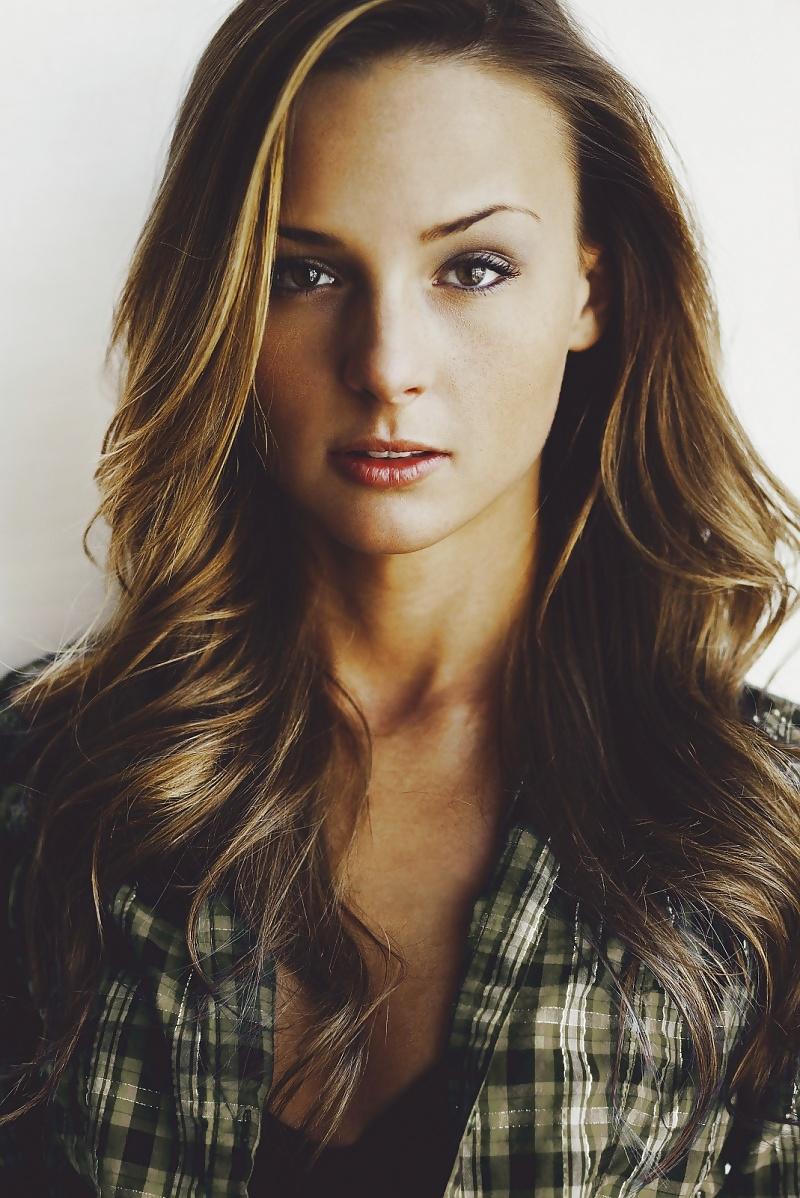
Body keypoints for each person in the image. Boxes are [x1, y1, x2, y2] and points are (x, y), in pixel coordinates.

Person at [1, 0, 799, 1194]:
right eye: (305, 272)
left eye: (471, 269)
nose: (384, 364)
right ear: (222, 302)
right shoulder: (46, 789)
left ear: (587, 294)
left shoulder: (763, 830)